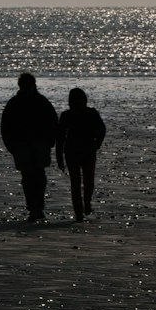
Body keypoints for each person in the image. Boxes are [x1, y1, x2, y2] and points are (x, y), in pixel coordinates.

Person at [0, 72, 59, 223]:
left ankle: (37, 208)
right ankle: (34, 208)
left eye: (29, 85)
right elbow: (6, 127)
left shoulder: (39, 102)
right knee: (29, 177)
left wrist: (51, 141)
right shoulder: (17, 103)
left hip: (38, 144)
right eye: (25, 85)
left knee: (37, 176)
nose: (27, 88)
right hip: (22, 145)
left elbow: (53, 123)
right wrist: (11, 146)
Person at [56, 87, 106, 222]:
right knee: (77, 182)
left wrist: (97, 144)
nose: (78, 103)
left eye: (80, 100)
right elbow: (60, 137)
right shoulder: (67, 115)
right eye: (75, 100)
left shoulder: (91, 113)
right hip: (74, 152)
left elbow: (102, 130)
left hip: (86, 151)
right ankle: (79, 211)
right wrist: (59, 157)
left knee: (86, 181)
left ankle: (86, 204)